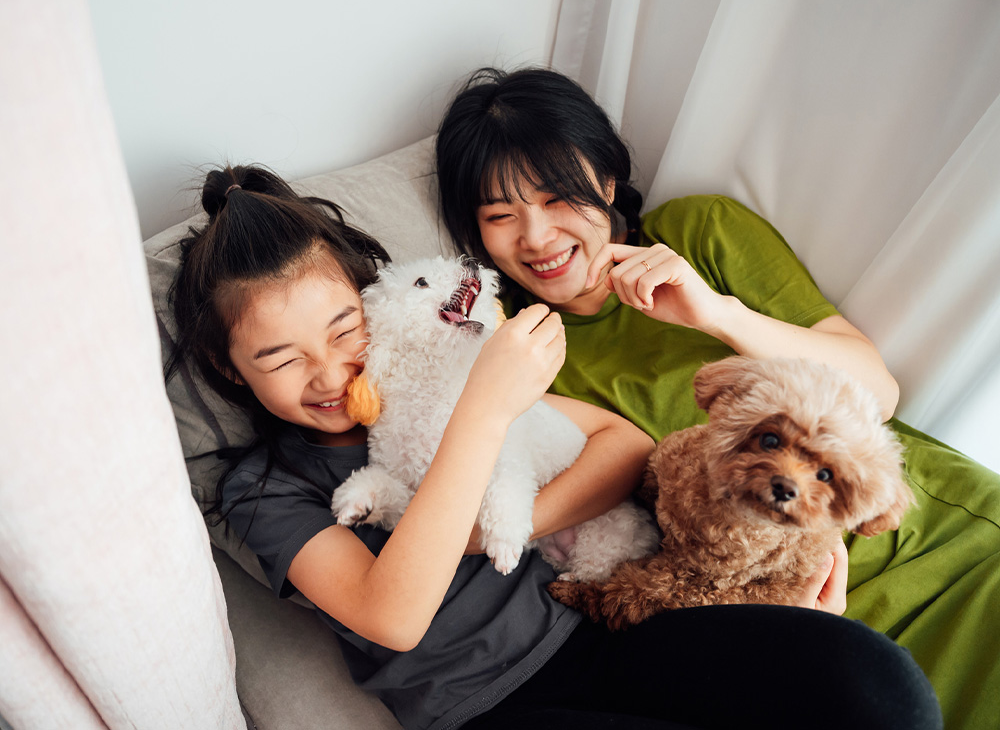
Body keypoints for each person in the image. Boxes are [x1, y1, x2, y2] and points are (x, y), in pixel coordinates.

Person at [167, 163, 941, 730]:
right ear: (224, 369)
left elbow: (624, 445)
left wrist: (502, 524)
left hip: (611, 624)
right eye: (282, 359)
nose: (332, 373)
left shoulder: (437, 373)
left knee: (877, 685)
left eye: (344, 333)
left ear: (375, 302)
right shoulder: (264, 486)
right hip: (495, 701)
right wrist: (483, 412)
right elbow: (391, 613)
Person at [436, 66, 999, 729]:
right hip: (779, 612)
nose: (535, 237)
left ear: (608, 182)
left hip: (943, 545)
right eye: (501, 216)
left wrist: (715, 315)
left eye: (558, 198)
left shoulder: (700, 231)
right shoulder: (517, 350)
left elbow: (878, 393)